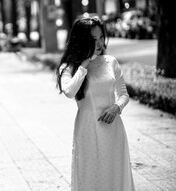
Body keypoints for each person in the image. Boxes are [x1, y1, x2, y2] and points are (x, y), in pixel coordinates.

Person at [56, 17, 135, 191]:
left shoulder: (110, 62)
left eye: (101, 37)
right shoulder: (68, 67)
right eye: (93, 39)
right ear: (81, 41)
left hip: (113, 128)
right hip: (87, 130)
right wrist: (84, 65)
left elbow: (123, 94)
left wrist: (117, 107)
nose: (99, 43)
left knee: (115, 173)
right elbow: (69, 92)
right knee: (90, 176)